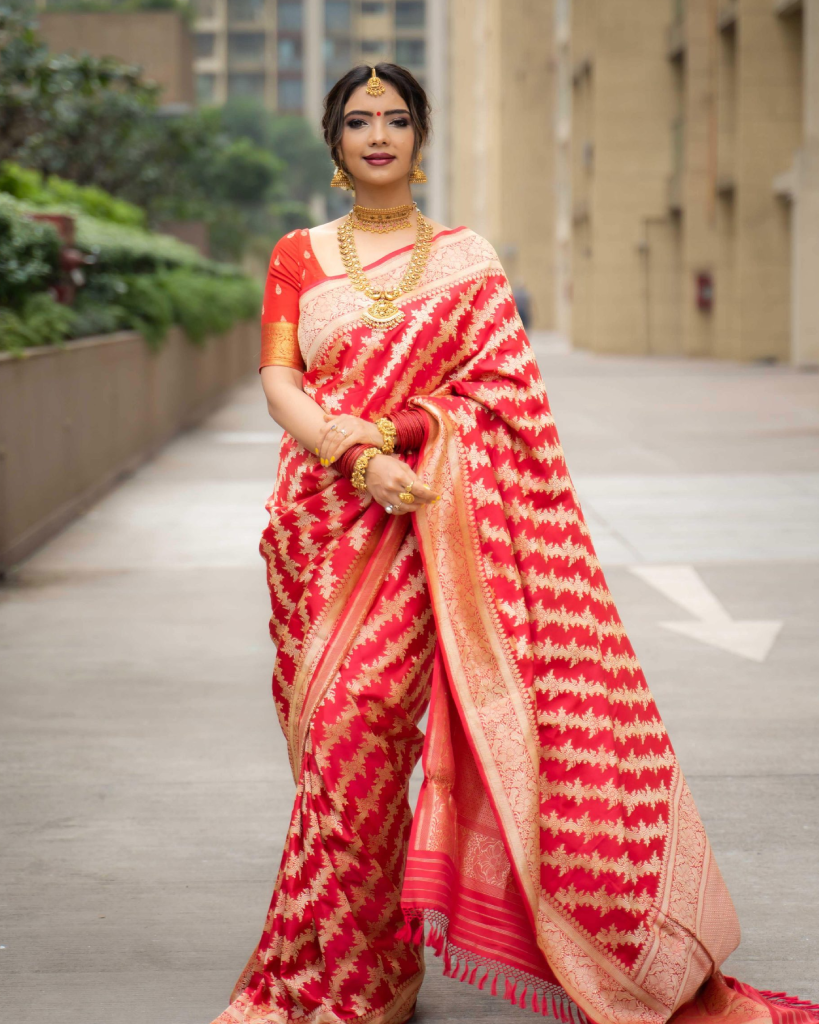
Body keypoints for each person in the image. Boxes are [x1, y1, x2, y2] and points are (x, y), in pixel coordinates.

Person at [209, 64, 818, 1024]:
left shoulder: (466, 258)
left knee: (363, 717)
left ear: (421, 136)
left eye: (397, 119)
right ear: (332, 143)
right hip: (320, 524)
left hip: (430, 527)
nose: (379, 134)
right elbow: (280, 381)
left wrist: (411, 440)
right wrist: (348, 453)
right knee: (335, 750)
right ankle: (364, 963)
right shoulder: (297, 254)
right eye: (358, 120)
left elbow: (506, 402)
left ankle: (370, 975)